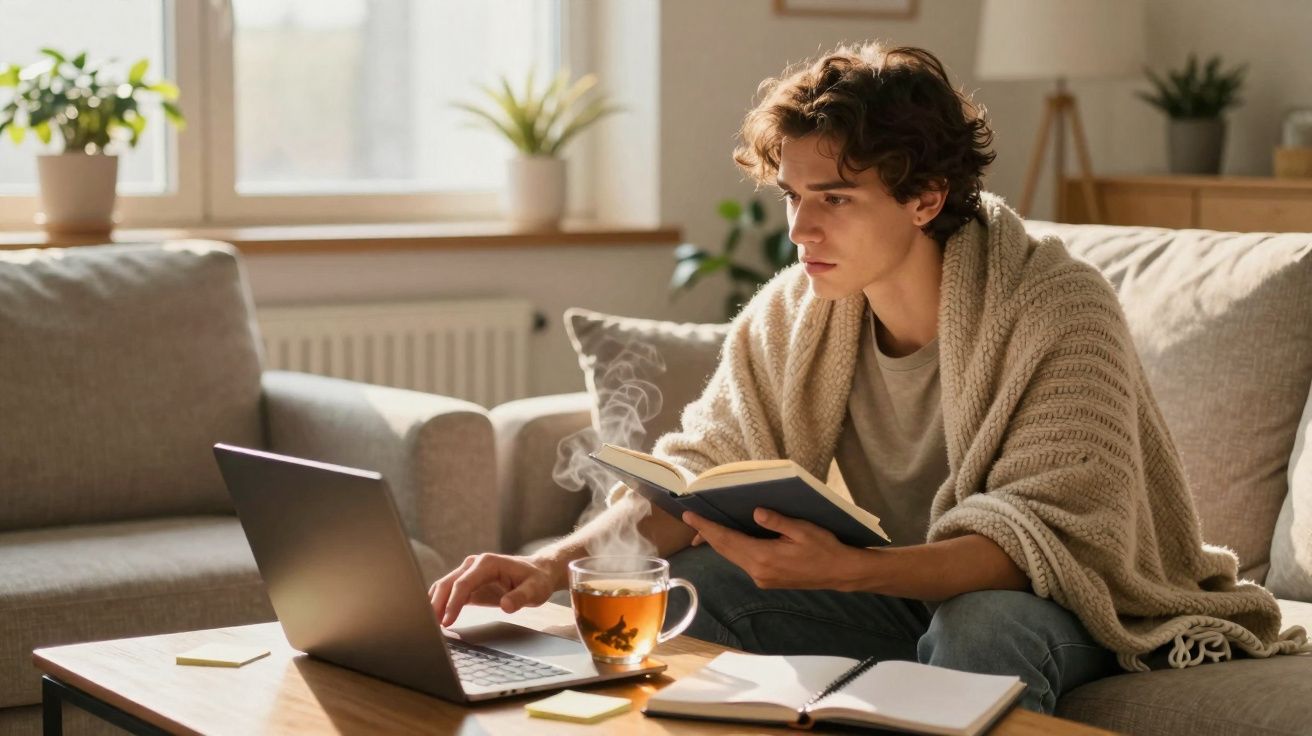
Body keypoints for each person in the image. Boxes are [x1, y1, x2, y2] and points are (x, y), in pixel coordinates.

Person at [430, 42, 1307, 714]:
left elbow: (1047, 544)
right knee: (704, 584)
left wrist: (846, 573)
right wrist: (548, 569)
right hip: (899, 583)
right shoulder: (793, 312)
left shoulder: (1055, 308)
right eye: (792, 195)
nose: (800, 228)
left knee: (981, 626)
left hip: (1076, 601)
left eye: (836, 198)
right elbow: (695, 479)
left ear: (925, 197)